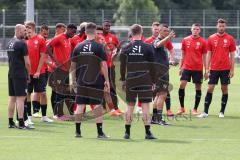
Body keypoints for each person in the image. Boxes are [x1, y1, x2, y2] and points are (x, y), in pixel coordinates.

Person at [70, 22, 110, 138]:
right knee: (97, 106)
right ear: (95, 32)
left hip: (81, 81)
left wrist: (73, 80)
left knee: (80, 105)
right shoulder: (99, 47)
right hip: (95, 81)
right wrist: (107, 80)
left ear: (85, 32)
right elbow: (104, 65)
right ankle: (100, 132)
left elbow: (73, 65)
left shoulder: (78, 46)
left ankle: (77, 132)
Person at [120, 24, 156, 139]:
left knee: (130, 106)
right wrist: (154, 81)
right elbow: (153, 66)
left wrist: (123, 79)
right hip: (144, 79)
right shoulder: (148, 47)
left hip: (130, 78)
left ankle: (127, 133)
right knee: (145, 105)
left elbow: (122, 66)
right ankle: (148, 133)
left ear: (131, 32)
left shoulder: (125, 47)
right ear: (141, 32)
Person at [198, 19, 236, 118]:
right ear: (217, 26)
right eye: (220, 26)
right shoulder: (211, 38)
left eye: (223, 26)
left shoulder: (230, 38)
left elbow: (232, 55)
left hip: (225, 69)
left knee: (224, 89)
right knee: (210, 88)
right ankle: (205, 112)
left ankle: (222, 112)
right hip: (214, 68)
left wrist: (232, 69)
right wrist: (206, 69)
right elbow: (208, 54)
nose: (221, 28)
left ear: (225, 27)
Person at [47, 23, 77, 121]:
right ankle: (58, 114)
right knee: (59, 92)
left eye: (75, 33)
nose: (73, 34)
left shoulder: (68, 39)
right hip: (58, 70)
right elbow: (47, 47)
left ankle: (67, 113)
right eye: (72, 32)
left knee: (68, 92)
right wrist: (55, 60)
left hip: (66, 70)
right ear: (68, 29)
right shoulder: (59, 37)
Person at [144, 22, 175, 117]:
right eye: (165, 31)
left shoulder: (164, 42)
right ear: (160, 31)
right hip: (160, 73)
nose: (167, 32)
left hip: (161, 71)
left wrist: (170, 62)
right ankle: (159, 118)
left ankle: (155, 118)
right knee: (162, 94)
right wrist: (168, 37)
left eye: (168, 31)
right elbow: (157, 45)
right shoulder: (157, 40)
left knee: (158, 95)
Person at [25, 21, 53, 123]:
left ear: (32, 29)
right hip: (28, 73)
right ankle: (28, 116)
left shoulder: (40, 39)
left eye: (28, 31)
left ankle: (44, 116)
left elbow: (43, 57)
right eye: (26, 31)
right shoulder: (25, 41)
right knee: (27, 93)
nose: (27, 33)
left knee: (43, 93)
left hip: (39, 72)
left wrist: (37, 71)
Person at [177, 23, 207, 115]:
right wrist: (180, 67)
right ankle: (181, 108)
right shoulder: (185, 40)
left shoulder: (203, 41)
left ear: (200, 30)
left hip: (198, 68)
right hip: (186, 67)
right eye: (194, 29)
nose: (195, 30)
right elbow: (182, 55)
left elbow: (204, 57)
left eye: (197, 29)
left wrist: (206, 70)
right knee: (182, 85)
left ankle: (195, 109)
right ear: (191, 29)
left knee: (198, 87)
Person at [7, 24, 31, 129]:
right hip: (20, 74)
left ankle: (11, 122)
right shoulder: (22, 43)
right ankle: (21, 123)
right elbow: (27, 63)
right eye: (24, 30)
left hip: (11, 73)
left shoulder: (10, 42)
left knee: (12, 98)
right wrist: (29, 74)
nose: (26, 32)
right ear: (19, 31)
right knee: (21, 98)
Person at [101, 20, 123, 116]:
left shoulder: (112, 37)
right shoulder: (98, 36)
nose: (107, 27)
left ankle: (115, 108)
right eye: (106, 26)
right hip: (99, 67)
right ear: (102, 26)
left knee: (112, 88)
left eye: (109, 26)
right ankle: (103, 108)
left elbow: (119, 47)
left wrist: (115, 55)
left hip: (110, 67)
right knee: (100, 88)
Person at [32, 23, 50, 118]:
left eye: (47, 34)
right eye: (44, 33)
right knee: (39, 91)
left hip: (44, 69)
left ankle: (38, 112)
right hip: (39, 70)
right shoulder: (38, 40)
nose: (46, 35)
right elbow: (41, 57)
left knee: (40, 91)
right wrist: (50, 63)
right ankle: (35, 110)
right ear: (40, 31)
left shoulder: (45, 41)